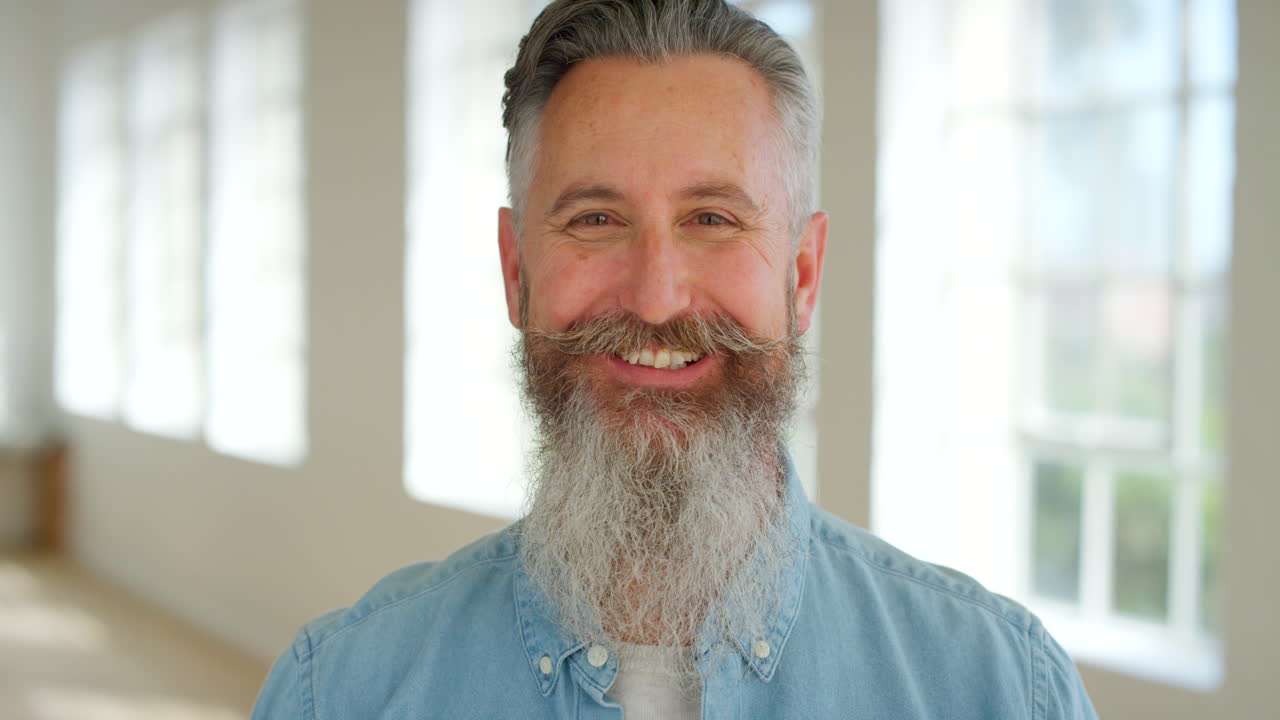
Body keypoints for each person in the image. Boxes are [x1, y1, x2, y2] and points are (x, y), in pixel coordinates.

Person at [252, 1, 1097, 717]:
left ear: (802, 277)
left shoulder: (1000, 690)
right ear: (517, 274)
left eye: (713, 219)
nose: (657, 299)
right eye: (594, 219)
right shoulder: (339, 693)